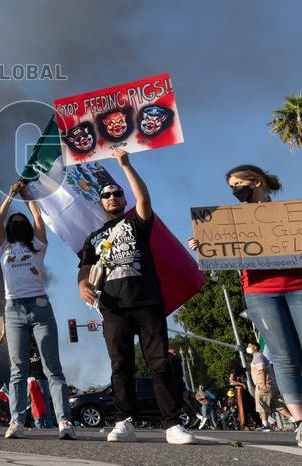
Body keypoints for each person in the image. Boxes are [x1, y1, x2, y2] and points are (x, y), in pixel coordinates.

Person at [188, 165, 302, 449]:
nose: (236, 190)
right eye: (232, 187)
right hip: (260, 292)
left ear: (257, 182)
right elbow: (222, 251)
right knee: (284, 360)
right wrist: (205, 246)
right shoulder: (228, 222)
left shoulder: (296, 213)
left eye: (239, 184)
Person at [77, 149, 194, 445]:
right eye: (107, 195)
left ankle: (172, 424)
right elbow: (85, 268)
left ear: (123, 199)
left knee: (159, 364)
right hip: (113, 307)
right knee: (120, 365)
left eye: (117, 193)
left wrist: (125, 165)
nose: (112, 197)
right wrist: (82, 286)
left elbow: (144, 199)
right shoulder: (93, 238)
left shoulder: (137, 223)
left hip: (147, 301)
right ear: (101, 203)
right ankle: (123, 421)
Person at [0, 181, 75, 440]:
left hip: (40, 307)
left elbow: (39, 216)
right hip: (14, 309)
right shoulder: (3, 248)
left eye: (21, 220)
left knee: (52, 366)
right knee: (18, 369)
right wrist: (9, 197)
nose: (17, 223)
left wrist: (27, 197)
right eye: (13, 221)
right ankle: (17, 421)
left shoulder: (38, 245)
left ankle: (64, 421)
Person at [247, 342, 290, 432]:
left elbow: (262, 370)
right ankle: (295, 420)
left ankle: (265, 425)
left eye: (249, 346)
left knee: (262, 404)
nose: (248, 348)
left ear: (255, 347)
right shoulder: (260, 356)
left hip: (263, 384)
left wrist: (263, 384)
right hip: (270, 384)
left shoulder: (258, 356)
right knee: (277, 405)